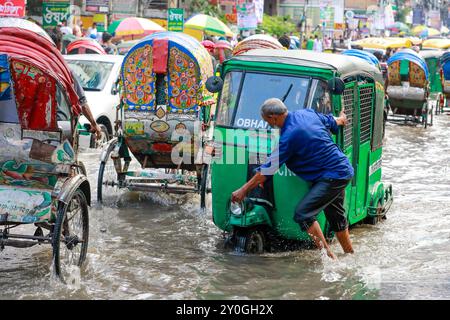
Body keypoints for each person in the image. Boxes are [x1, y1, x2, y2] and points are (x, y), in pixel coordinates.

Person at [231, 98, 354, 259]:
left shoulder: (289, 136)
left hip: (332, 176)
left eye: (267, 121)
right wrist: (342, 119)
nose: (269, 125)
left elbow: (267, 169)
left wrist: (243, 190)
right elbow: (332, 121)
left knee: (303, 214)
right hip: (340, 170)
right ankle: (350, 255)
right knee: (335, 216)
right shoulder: (307, 114)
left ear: (273, 117)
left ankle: (328, 257)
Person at [47, 29, 102, 139]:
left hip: (35, 123)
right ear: (59, 46)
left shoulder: (34, 66)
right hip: (60, 124)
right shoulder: (65, 70)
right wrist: (94, 124)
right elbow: (82, 102)